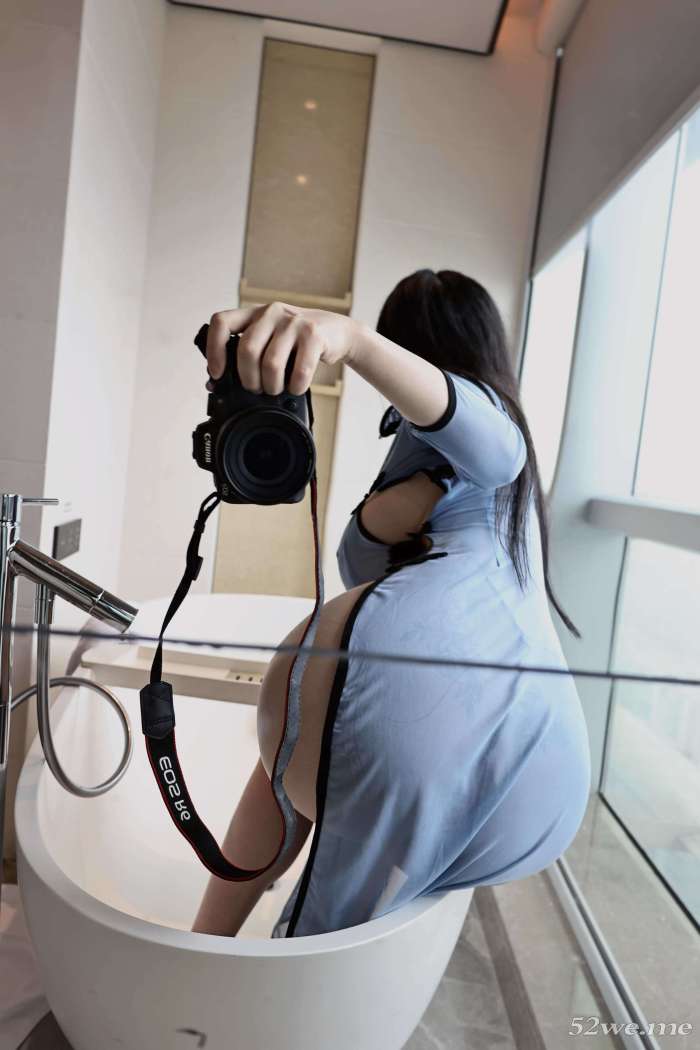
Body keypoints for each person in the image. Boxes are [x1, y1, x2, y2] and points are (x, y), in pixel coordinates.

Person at [191, 269, 591, 939]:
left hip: (420, 727)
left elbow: (500, 452)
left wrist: (353, 340)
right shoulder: (473, 494)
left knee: (317, 936)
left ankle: (203, 955)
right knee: (317, 921)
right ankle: (206, 950)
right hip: (510, 753)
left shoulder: (489, 431)